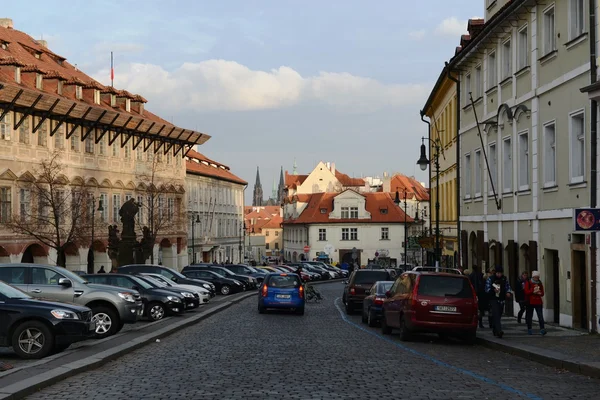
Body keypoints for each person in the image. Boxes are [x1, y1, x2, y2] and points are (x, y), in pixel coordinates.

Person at [485, 265, 512, 338]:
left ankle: (495, 329)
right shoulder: (491, 279)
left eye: (500, 273)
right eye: (498, 273)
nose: (499, 274)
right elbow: (487, 289)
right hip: (493, 299)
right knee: (496, 314)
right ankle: (499, 330)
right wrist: (493, 290)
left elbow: (507, 287)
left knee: (498, 315)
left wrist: (508, 292)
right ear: (495, 273)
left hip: (501, 299)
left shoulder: (504, 279)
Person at [525, 270, 546, 335]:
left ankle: (542, 329)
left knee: (540, 316)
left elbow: (542, 293)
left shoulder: (540, 283)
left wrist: (539, 293)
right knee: (529, 316)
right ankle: (529, 329)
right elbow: (526, 292)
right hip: (530, 302)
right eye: (535, 277)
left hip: (538, 301)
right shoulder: (528, 282)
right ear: (533, 277)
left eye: (537, 277)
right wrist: (532, 291)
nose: (536, 278)